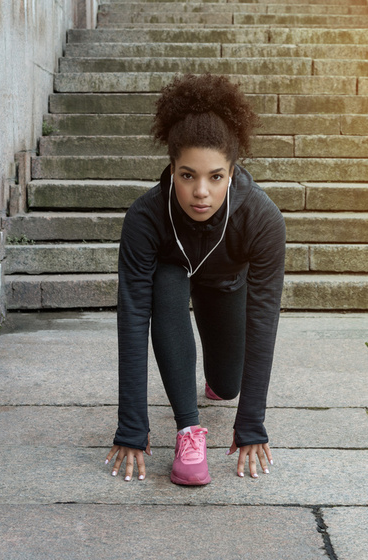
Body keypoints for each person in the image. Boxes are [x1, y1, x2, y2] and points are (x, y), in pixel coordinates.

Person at [104, 73, 286, 486]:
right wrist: (132, 425)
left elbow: (263, 318)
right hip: (174, 277)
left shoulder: (261, 218)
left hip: (226, 286)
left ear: (233, 171)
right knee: (166, 280)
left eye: (215, 177)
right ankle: (188, 431)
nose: (200, 192)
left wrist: (251, 423)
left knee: (228, 384)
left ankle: (216, 384)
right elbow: (132, 317)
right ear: (172, 169)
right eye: (188, 176)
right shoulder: (145, 217)